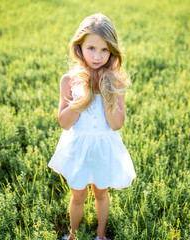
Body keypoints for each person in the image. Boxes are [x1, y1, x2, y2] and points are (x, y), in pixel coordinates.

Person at [48, 13, 136, 240]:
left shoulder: (116, 81)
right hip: (78, 145)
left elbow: (116, 124)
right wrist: (83, 99)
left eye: (105, 50)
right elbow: (64, 123)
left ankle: (100, 234)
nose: (97, 56)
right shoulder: (69, 80)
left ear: (113, 51)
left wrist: (106, 93)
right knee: (78, 195)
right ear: (79, 47)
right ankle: (72, 234)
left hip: (103, 146)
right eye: (91, 48)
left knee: (101, 193)